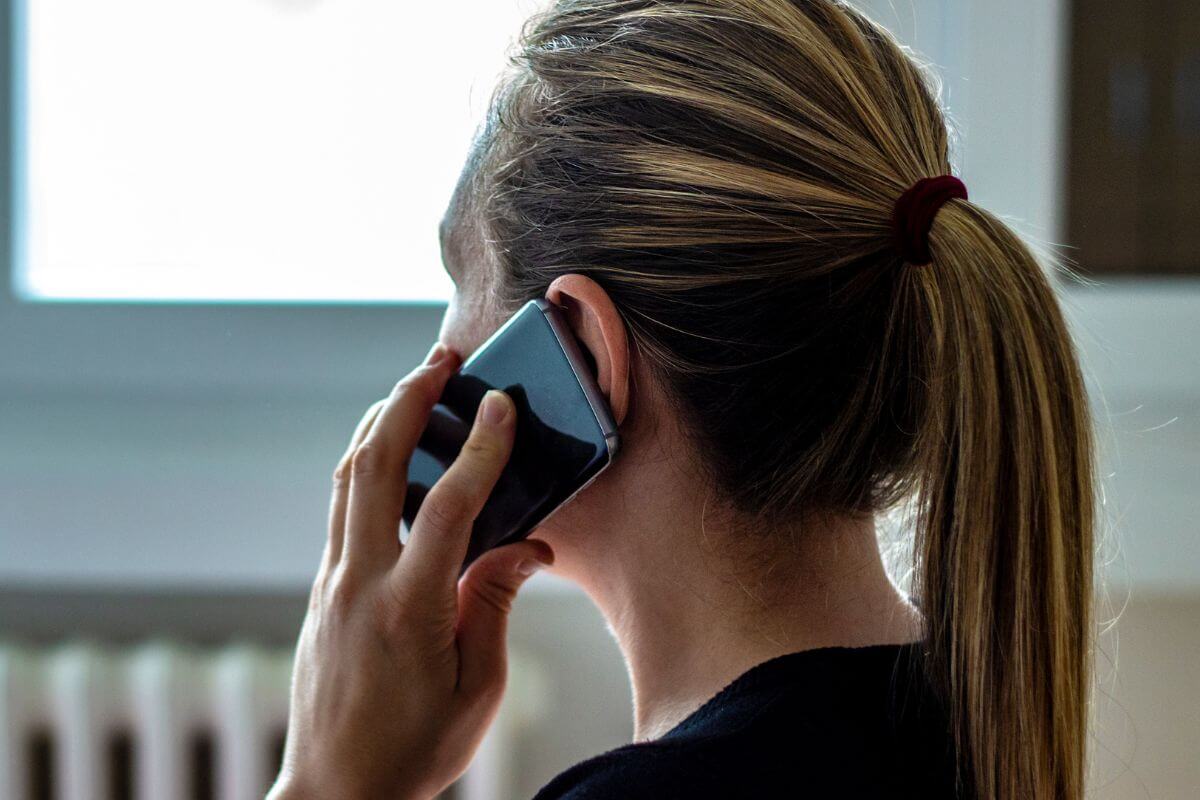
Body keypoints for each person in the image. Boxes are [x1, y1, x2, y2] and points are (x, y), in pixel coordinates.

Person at [266, 1, 1096, 798]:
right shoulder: (966, 725)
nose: (439, 359)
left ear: (584, 350)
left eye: (459, 278)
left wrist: (330, 784)